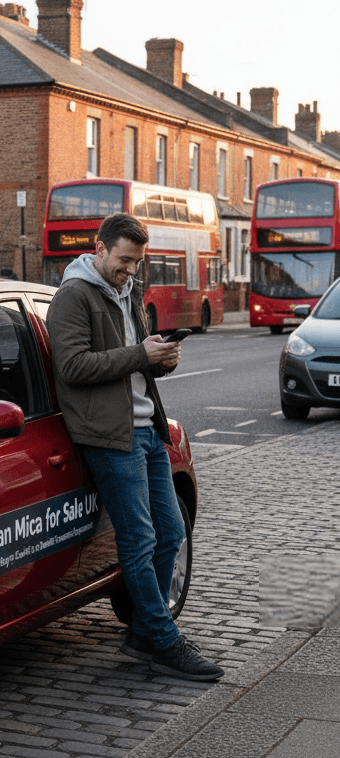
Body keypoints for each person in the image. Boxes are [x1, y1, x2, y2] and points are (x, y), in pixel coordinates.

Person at [47, 212, 223, 682]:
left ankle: (145, 632)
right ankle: (162, 639)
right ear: (100, 249)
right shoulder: (73, 296)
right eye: (123, 261)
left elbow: (133, 361)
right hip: (110, 435)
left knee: (171, 530)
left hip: (147, 429)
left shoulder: (127, 291)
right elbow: (73, 366)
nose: (130, 270)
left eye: (136, 263)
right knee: (140, 537)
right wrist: (140, 354)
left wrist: (160, 359)